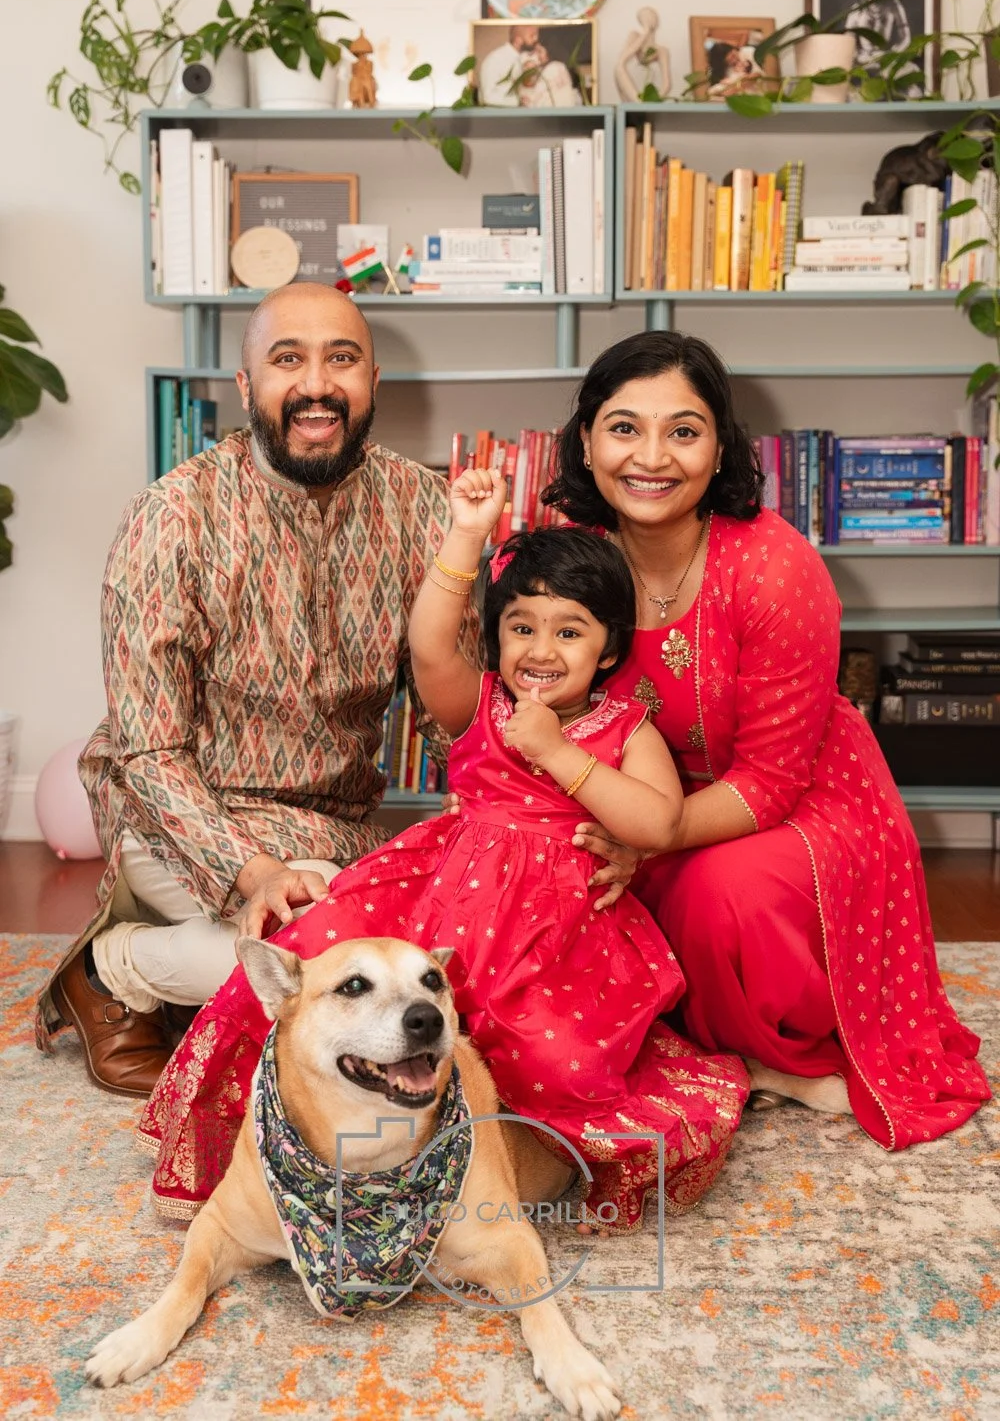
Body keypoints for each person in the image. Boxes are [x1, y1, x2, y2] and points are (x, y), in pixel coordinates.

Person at [137, 481, 749, 1226]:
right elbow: (429, 642)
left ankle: (468, 1162)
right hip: (436, 900)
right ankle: (266, 1133)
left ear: (610, 645)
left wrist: (560, 755)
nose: (541, 650)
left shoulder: (627, 726)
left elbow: (658, 821)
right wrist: (466, 535)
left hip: (559, 940)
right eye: (522, 628)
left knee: (557, 1066)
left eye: (570, 631)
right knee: (307, 955)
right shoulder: (480, 703)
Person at [540, 330, 990, 1147]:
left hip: (798, 804)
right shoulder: (574, 557)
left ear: (720, 448)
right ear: (586, 441)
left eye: (683, 430)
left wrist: (647, 841)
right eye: (624, 427)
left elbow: (770, 784)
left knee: (720, 895)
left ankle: (788, 1052)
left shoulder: (775, 567)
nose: (652, 457)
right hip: (636, 798)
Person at [35, 284, 475, 1097]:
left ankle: (204, 981)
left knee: (444, 959)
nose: (317, 384)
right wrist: (253, 872)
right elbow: (149, 751)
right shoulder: (171, 519)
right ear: (246, 389)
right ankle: (111, 970)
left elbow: (456, 705)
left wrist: (498, 830)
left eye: (340, 359)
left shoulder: (420, 504)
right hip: (178, 821)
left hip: (333, 827)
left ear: (373, 381)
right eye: (287, 359)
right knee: (327, 970)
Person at [478, 22, 540, 106]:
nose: (536, 39)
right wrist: (518, 102)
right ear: (518, 40)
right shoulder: (495, 59)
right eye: (532, 35)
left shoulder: (522, 59)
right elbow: (487, 98)